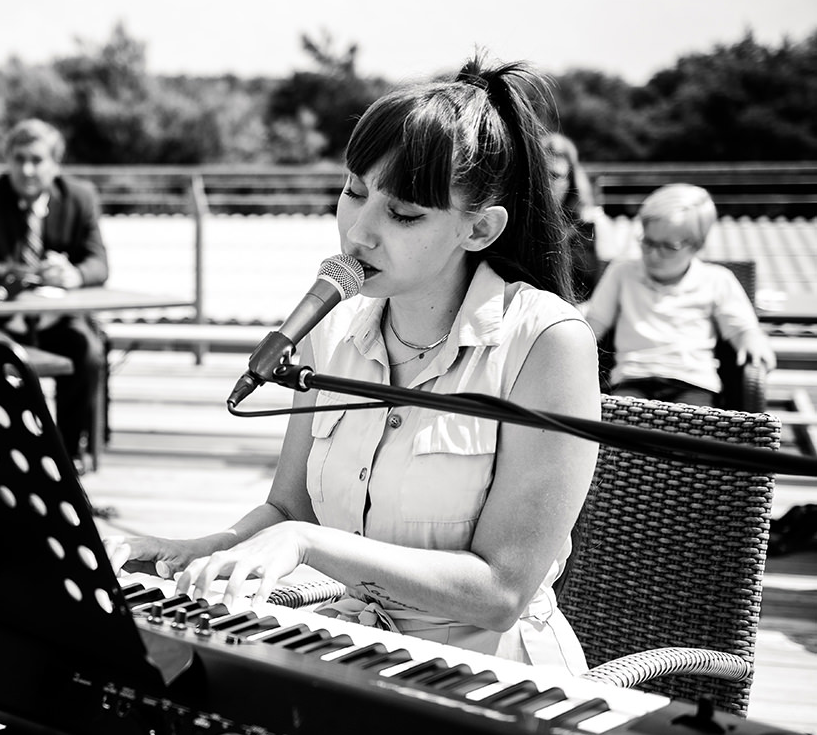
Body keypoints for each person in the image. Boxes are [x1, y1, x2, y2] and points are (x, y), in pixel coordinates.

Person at [105, 54, 601, 672]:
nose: (358, 233)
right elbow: (290, 510)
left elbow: (499, 593)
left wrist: (310, 544)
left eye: (403, 214)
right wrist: (183, 553)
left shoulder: (548, 342)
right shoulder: (331, 324)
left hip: (492, 677)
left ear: (480, 229)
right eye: (353, 192)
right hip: (348, 651)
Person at [0, 119, 109, 472]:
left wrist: (73, 274)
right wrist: (32, 274)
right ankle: (5, 454)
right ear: (8, 160)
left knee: (88, 352)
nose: (27, 169)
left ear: (55, 163)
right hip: (2, 320)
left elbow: (99, 263)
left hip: (57, 320)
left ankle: (67, 454)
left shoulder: (80, 197)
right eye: (19, 159)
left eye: (37, 160)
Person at [584, 183, 776, 406]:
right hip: (632, 380)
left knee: (690, 430)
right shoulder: (622, 272)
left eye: (667, 247)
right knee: (618, 426)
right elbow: (594, 324)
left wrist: (753, 340)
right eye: (648, 242)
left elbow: (743, 329)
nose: (653, 254)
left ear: (697, 245)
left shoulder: (716, 279)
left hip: (693, 383)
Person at [543, 133, 605, 302]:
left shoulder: (588, 225)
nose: (546, 184)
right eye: (540, 175)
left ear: (571, 181)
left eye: (554, 176)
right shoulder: (514, 219)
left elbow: (595, 282)